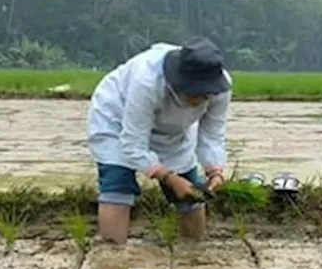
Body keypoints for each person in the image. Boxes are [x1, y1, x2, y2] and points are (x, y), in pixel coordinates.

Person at [86, 37, 232, 244]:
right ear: (179, 82)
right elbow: (133, 143)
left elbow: (211, 134)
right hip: (118, 121)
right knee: (118, 184)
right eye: (195, 92)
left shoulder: (220, 88)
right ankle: (113, 254)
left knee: (191, 195)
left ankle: (193, 252)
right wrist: (169, 178)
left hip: (172, 131)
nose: (201, 99)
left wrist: (215, 171)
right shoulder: (148, 81)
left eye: (206, 93)